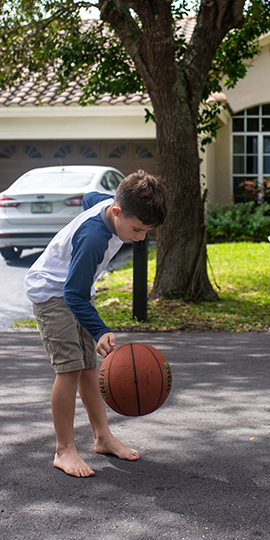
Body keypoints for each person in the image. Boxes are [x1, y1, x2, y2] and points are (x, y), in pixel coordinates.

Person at [24, 169, 168, 478]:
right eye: (137, 229)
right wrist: (100, 330)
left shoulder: (110, 203)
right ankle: (64, 450)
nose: (141, 237)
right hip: (52, 292)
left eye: (146, 232)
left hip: (75, 289)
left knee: (90, 366)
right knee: (70, 368)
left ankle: (102, 437)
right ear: (117, 212)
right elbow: (72, 294)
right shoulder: (93, 238)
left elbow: (91, 197)